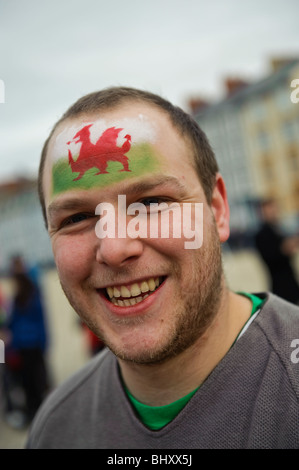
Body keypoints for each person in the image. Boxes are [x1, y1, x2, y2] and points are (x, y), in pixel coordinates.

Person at [26, 87, 299, 449]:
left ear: (216, 210)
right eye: (77, 217)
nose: (114, 248)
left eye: (152, 202)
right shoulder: (55, 428)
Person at [7, 256, 50, 425]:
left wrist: (44, 341)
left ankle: (38, 414)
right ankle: (36, 414)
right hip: (27, 345)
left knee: (34, 382)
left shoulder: (29, 292)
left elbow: (37, 319)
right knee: (31, 382)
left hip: (30, 345)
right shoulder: (23, 294)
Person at [255, 198, 299, 305]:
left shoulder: (278, 228)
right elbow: (270, 256)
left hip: (290, 283)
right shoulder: (262, 234)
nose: (273, 212)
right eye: (269, 210)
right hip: (280, 286)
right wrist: (285, 248)